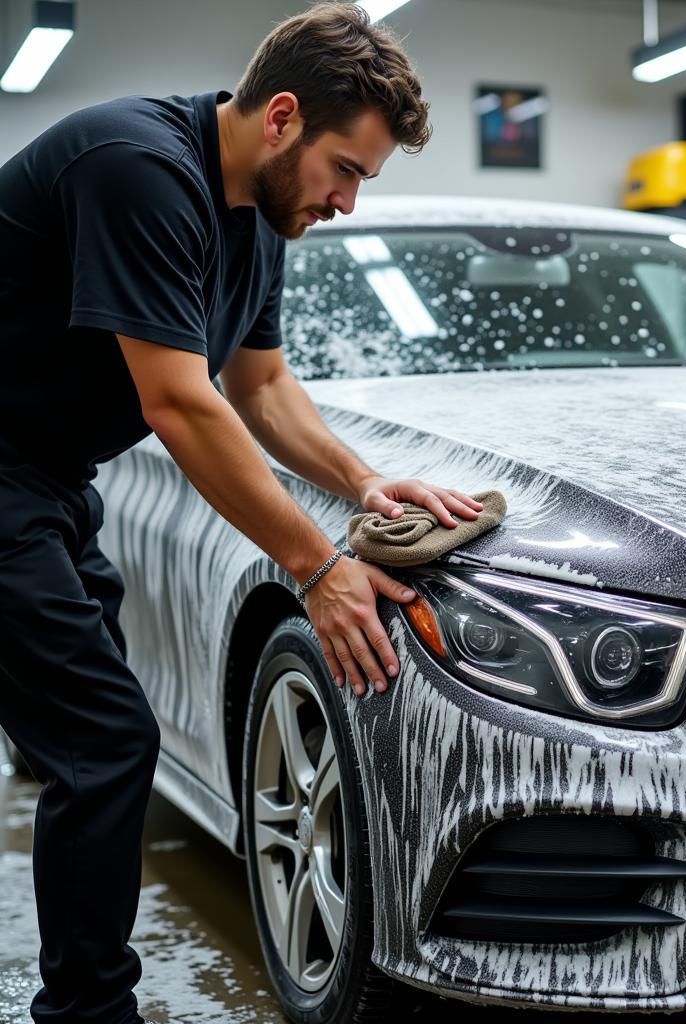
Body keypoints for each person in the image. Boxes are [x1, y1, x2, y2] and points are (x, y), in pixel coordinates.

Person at [0, 4, 482, 1022]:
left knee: (73, 725)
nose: (348, 201)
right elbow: (178, 402)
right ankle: (87, 1011)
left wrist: (363, 485)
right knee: (108, 740)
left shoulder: (259, 218)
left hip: (50, 477)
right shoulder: (139, 168)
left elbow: (259, 387)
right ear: (281, 120)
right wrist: (318, 565)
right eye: (344, 170)